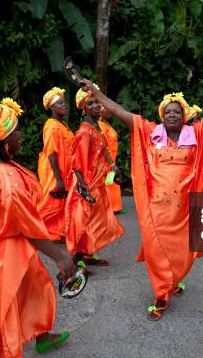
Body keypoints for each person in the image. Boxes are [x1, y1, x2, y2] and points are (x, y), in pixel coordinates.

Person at [79, 68, 203, 320]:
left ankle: (174, 278)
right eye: (168, 111)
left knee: (183, 254)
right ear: (162, 116)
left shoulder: (198, 132)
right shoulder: (150, 132)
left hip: (184, 209)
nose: (172, 114)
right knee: (155, 250)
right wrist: (96, 93)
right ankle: (161, 295)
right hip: (156, 207)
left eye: (177, 111)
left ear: (184, 115)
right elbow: (118, 111)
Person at [0, 98, 76, 357]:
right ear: (4, 143)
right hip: (2, 246)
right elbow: (27, 227)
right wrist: (61, 258)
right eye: (16, 132)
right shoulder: (7, 182)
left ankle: (41, 334)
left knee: (35, 288)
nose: (21, 135)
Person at [64, 87, 125, 269]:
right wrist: (84, 189)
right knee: (86, 223)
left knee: (97, 222)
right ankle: (76, 262)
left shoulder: (95, 127)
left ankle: (88, 254)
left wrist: (113, 169)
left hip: (98, 183)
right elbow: (77, 165)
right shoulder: (84, 133)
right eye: (90, 103)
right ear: (83, 108)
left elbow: (104, 151)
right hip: (89, 185)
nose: (96, 106)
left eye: (97, 102)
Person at [37, 87, 75, 239]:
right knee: (51, 202)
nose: (64, 105)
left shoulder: (62, 124)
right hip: (54, 171)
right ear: (52, 107)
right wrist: (58, 179)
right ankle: (32, 227)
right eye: (60, 103)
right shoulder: (51, 126)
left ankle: (55, 232)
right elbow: (51, 152)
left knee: (61, 202)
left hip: (64, 169)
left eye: (64, 102)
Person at [98, 107, 124, 214]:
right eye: (106, 109)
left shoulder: (105, 123)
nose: (110, 111)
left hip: (111, 158)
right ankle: (107, 207)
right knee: (107, 182)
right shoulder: (99, 125)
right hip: (105, 160)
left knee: (110, 181)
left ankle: (114, 206)